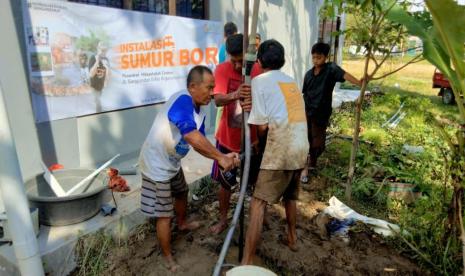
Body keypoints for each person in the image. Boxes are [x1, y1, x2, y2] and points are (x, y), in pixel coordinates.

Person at [138, 65, 240, 272]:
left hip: (172, 161)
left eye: (213, 88)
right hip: (156, 163)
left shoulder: (200, 108)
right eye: (209, 87)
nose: (212, 93)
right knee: (164, 214)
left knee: (182, 192)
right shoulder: (182, 101)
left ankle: (182, 223)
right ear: (193, 86)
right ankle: (167, 256)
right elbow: (190, 136)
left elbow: (198, 141)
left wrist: (222, 156)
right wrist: (220, 157)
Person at [241, 39, 309, 265]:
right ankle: (292, 238)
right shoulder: (291, 82)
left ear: (259, 61)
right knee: (290, 197)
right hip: (300, 147)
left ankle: (247, 262)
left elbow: (261, 125)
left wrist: (259, 144)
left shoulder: (259, 81)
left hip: (280, 147)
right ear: (283, 61)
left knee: (258, 203)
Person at [209, 33, 262, 234]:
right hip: (227, 140)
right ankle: (223, 220)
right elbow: (217, 100)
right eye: (234, 61)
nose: (239, 66)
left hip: (251, 139)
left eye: (241, 61)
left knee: (253, 182)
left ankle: (255, 221)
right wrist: (235, 95)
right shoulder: (222, 70)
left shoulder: (256, 69)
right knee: (225, 184)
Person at [300, 42, 362, 183]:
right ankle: (305, 167)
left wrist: (360, 83)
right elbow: (305, 94)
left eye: (319, 57)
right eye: (314, 57)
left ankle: (312, 160)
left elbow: (345, 75)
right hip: (307, 111)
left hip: (321, 113)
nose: (316, 60)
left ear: (326, 57)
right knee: (305, 140)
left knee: (318, 143)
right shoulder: (309, 74)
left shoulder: (331, 69)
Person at [88, 41, 110, 112]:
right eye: (102, 50)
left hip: (101, 86)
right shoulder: (93, 58)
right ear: (98, 49)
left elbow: (108, 73)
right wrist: (97, 62)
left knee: (99, 101)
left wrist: (107, 68)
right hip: (94, 86)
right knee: (98, 104)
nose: (104, 52)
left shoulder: (106, 59)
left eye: (105, 50)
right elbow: (91, 74)